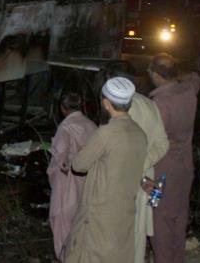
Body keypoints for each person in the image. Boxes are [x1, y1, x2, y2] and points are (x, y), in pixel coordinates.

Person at [64, 77, 147, 263]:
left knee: (91, 255)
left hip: (99, 211)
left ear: (106, 103)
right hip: (124, 208)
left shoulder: (106, 133)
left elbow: (79, 165)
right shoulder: (139, 133)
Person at [147, 53, 200, 263]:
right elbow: (195, 76)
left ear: (156, 75)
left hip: (162, 174)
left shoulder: (160, 103)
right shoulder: (188, 90)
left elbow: (154, 141)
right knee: (179, 218)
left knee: (159, 222)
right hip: (185, 170)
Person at [47, 92, 97, 261]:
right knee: (81, 220)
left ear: (63, 108)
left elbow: (60, 158)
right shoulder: (91, 125)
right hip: (88, 179)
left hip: (68, 180)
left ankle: (65, 257)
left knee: (62, 219)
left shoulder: (66, 127)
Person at [128, 92, 169, 263]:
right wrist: (145, 163)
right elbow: (162, 143)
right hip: (145, 177)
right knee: (137, 237)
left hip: (127, 180)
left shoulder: (119, 105)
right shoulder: (148, 103)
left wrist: (138, 165)